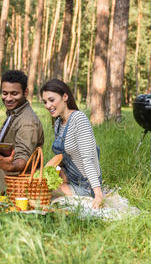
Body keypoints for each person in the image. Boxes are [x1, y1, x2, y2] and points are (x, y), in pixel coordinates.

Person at [40, 79, 104, 209]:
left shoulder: (79, 119)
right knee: (37, 185)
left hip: (86, 185)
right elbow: (64, 158)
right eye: (45, 102)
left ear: (65, 96)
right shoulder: (58, 122)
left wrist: (98, 194)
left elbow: (88, 159)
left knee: (41, 193)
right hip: (70, 179)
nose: (47, 105)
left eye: (51, 100)